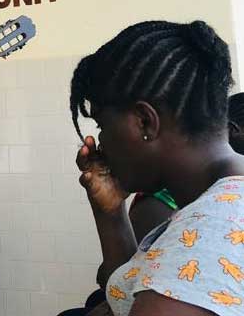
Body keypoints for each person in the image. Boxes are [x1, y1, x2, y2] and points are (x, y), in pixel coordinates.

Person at [69, 20, 244, 316]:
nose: (101, 142)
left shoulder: (208, 235)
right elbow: (128, 299)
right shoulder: (221, 202)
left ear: (144, 122)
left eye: (102, 125)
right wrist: (110, 212)